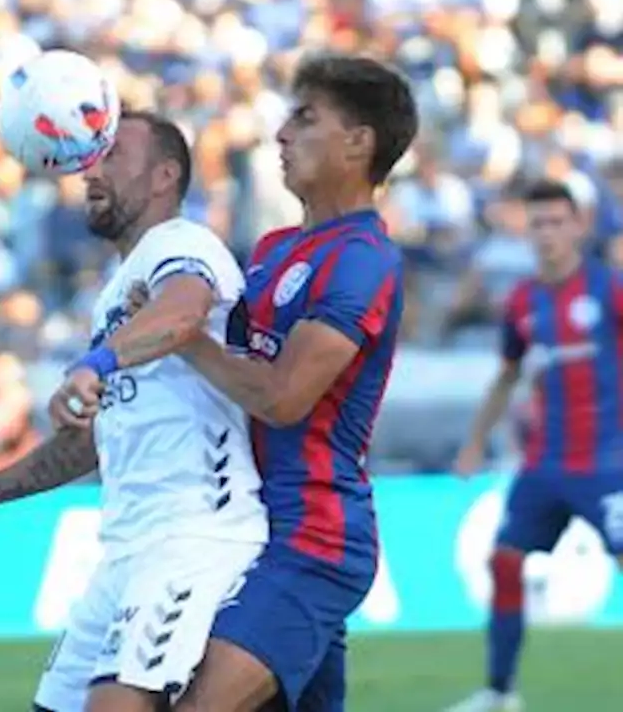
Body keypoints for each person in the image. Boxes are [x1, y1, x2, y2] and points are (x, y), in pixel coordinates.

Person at [0, 110, 268, 712]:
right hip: (126, 549)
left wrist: (95, 365)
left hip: (193, 536)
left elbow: (183, 313)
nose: (89, 169)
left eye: (112, 155)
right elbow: (89, 440)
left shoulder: (181, 244)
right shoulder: (117, 290)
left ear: (163, 176)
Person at [128, 54, 416, 712]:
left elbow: (283, 397)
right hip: (251, 529)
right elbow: (223, 373)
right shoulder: (273, 249)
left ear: (358, 141)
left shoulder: (364, 259)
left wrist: (182, 336)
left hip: (313, 536)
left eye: (305, 118)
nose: (281, 134)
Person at [445, 180, 623, 712]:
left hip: (610, 462)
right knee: (504, 560)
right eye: (537, 223)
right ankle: (500, 693)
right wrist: (475, 442)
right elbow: (506, 377)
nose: (547, 233)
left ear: (578, 226)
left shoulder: (608, 289)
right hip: (545, 463)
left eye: (556, 222)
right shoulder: (524, 301)